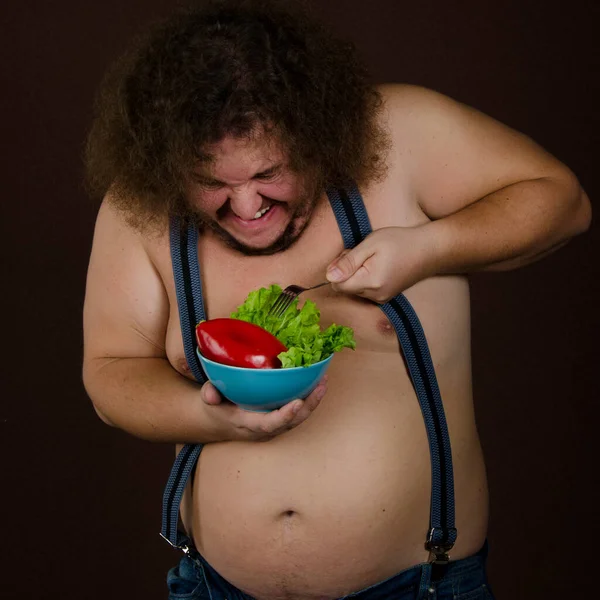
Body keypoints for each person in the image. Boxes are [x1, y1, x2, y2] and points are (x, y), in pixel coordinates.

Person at [82, 1, 591, 598]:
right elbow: (110, 373)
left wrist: (427, 249)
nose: (246, 208)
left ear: (318, 133)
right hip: (214, 587)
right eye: (214, 185)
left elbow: (563, 201)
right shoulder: (139, 205)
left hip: (420, 585)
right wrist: (210, 418)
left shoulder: (398, 134)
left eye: (270, 174)